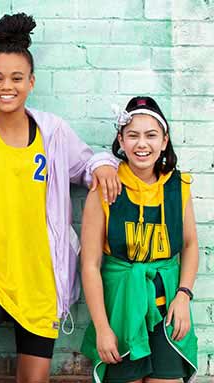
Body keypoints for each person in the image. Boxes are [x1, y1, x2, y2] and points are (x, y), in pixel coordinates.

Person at [0, 13, 122, 383]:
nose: (6, 86)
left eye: (16, 78)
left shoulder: (52, 131)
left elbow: (88, 163)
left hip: (41, 280)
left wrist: (106, 165)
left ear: (31, 82)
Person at [79, 96, 199, 383]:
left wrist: (183, 296)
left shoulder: (178, 186)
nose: (141, 144)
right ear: (121, 139)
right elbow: (90, 264)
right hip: (122, 312)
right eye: (132, 135)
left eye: (151, 135)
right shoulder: (106, 187)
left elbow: (190, 244)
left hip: (167, 311)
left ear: (164, 140)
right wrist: (102, 327)